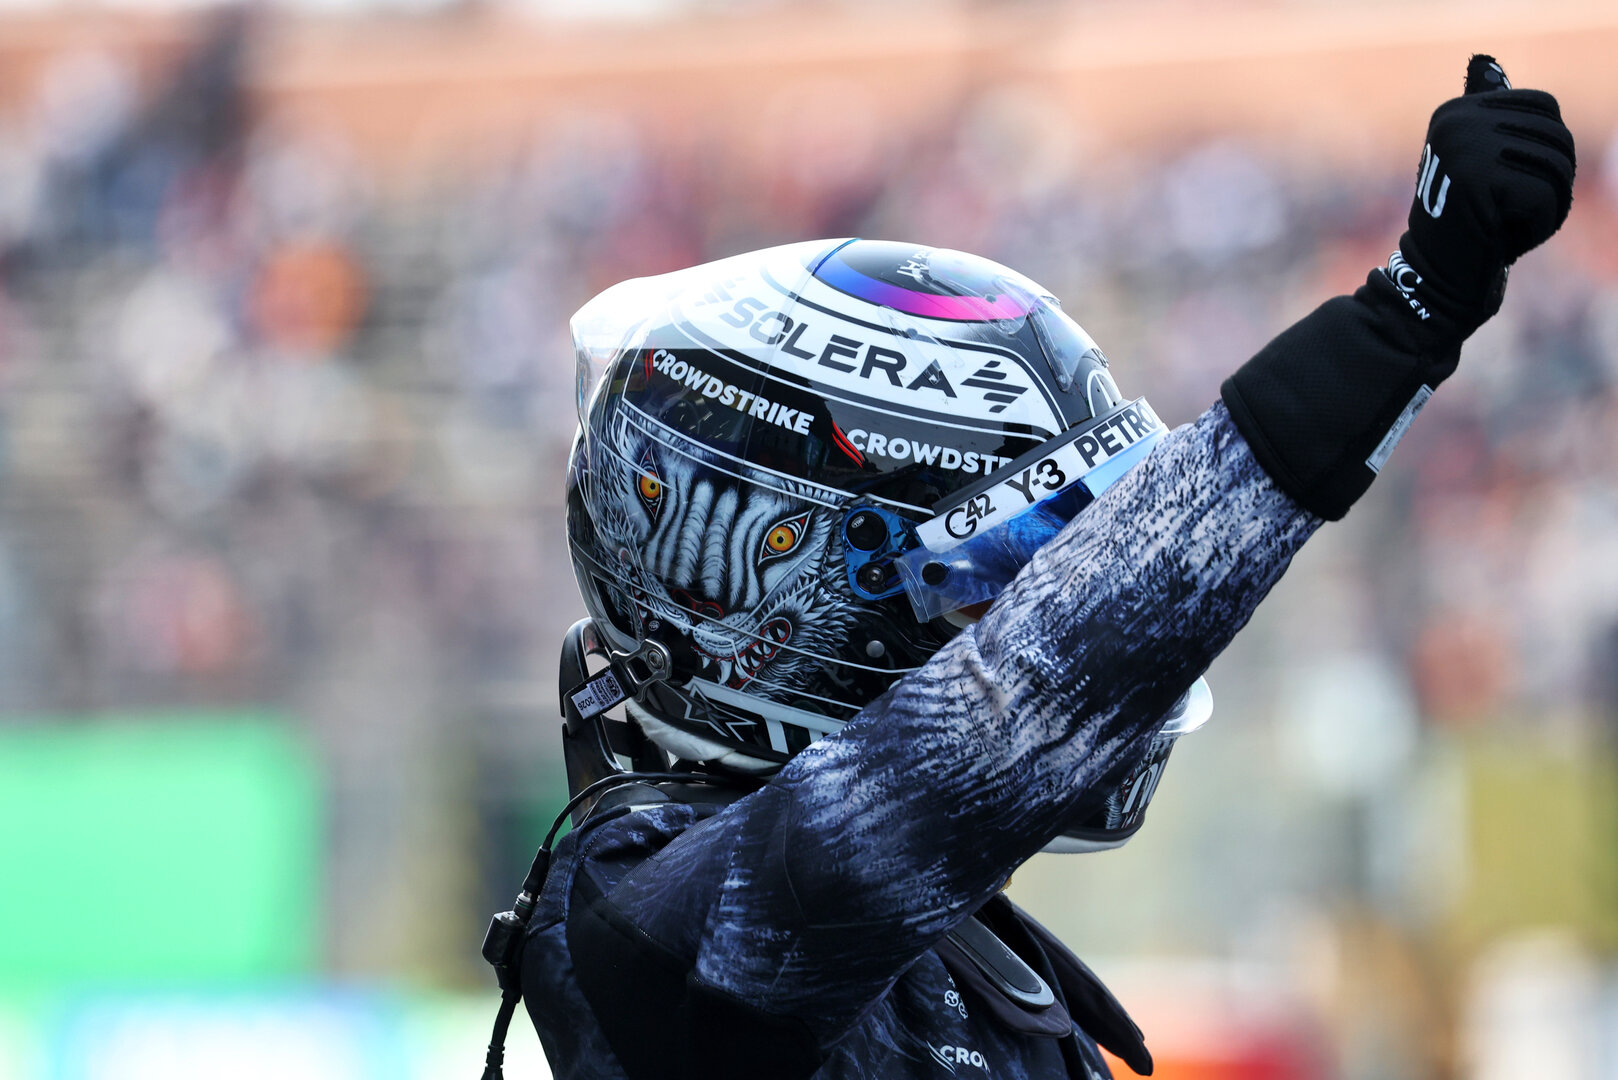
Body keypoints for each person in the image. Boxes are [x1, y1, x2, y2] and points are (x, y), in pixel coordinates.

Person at [481, 56, 1575, 1080]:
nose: (1025, 610)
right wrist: (1402, 319)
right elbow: (1025, 694)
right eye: (987, 581)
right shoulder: (674, 930)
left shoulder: (929, 934)